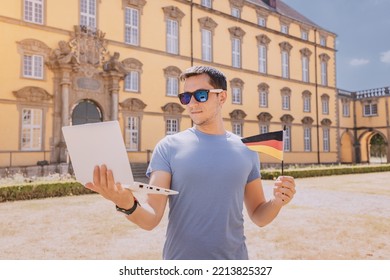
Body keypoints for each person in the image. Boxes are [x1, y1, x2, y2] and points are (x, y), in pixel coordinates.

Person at [85, 65, 296, 260]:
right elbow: (151, 218)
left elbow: (259, 216)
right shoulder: (168, 147)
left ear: (221, 97)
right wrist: (125, 203)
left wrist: (277, 201)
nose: (192, 104)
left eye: (201, 95)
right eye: (186, 97)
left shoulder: (247, 150)